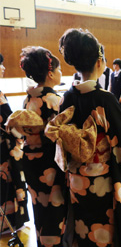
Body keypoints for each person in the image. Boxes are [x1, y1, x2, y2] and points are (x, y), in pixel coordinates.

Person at [55, 28, 121, 246]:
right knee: (105, 229)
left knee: (82, 226)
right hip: (101, 180)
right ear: (99, 62)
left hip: (76, 178)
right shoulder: (105, 99)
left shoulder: (66, 98)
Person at [16, 46, 66, 246]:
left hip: (30, 160)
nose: (62, 73)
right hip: (50, 162)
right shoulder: (54, 100)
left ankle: (42, 242)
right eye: (60, 69)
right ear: (51, 73)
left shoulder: (27, 99)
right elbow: (60, 135)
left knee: (39, 207)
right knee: (56, 209)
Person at [0, 54, 29, 233]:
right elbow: (7, 123)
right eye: (0, 65)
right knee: (6, 183)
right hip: (4, 148)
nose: (3, 68)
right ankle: (8, 221)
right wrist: (23, 136)